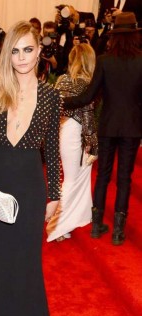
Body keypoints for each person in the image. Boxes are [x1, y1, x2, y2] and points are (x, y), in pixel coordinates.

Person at [0, 20, 79, 316]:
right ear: (8, 54)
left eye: (28, 49)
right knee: (4, 267)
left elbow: (53, 149)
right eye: (15, 50)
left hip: (31, 188)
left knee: (28, 267)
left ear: (38, 52)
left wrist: (54, 195)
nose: (21, 57)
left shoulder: (50, 96)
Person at [62, 12, 142, 246]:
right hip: (132, 128)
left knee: (103, 175)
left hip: (108, 126)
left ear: (114, 36)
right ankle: (118, 231)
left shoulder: (105, 61)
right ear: (135, 35)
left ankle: (96, 227)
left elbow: (87, 96)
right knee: (125, 178)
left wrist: (60, 101)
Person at [46, 43, 98, 242]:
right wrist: (93, 144)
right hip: (75, 131)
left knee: (73, 176)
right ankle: (56, 226)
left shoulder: (62, 79)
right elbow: (87, 115)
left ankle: (73, 218)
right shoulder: (86, 83)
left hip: (62, 130)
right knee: (71, 179)